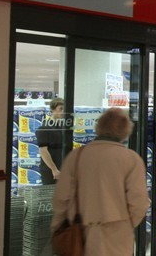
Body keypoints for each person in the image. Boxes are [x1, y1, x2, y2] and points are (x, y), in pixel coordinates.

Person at [50, 108, 149, 255]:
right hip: (117, 234)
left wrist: (58, 225)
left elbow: (61, 198)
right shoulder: (131, 159)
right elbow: (139, 201)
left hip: (80, 232)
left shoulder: (76, 156)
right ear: (125, 131)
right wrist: (126, 224)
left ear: (98, 127)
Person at [36, 98, 67, 184]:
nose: (63, 111)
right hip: (50, 171)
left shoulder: (62, 128)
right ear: (52, 109)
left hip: (62, 168)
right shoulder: (44, 128)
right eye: (60, 109)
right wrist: (54, 169)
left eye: (64, 109)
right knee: (49, 195)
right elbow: (43, 151)